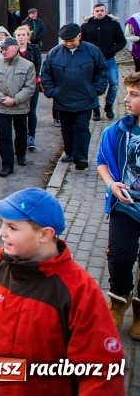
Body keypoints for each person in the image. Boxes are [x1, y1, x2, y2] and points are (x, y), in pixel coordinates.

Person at [0, 188, 125, 395]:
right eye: (2, 223)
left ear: (45, 234)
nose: (1, 232)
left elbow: (102, 370)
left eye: (12, 227)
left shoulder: (79, 290)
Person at [97, 72, 140, 339]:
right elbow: (101, 161)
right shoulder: (118, 130)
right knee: (119, 258)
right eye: (127, 93)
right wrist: (111, 184)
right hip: (125, 207)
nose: (126, 99)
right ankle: (118, 302)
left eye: (134, 94)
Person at [41, 24, 108, 170]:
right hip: (62, 99)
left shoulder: (92, 51)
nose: (68, 43)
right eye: (65, 41)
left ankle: (81, 157)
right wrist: (52, 92)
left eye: (71, 40)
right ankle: (70, 153)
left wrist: (95, 90)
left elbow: (102, 71)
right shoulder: (54, 53)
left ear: (79, 35)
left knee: (82, 127)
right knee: (66, 128)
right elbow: (46, 75)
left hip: (86, 98)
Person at [0, 37, 36, 178]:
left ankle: (21, 155)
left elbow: (30, 87)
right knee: (5, 137)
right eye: (2, 49)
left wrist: (15, 100)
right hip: (2, 107)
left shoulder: (28, 65)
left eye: (6, 48)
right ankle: (7, 165)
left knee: (21, 133)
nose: (3, 51)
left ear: (16, 48)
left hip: (20, 106)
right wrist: (2, 98)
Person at [82, 3, 127, 121]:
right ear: (93, 12)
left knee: (114, 83)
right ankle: (95, 109)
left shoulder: (114, 25)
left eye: (102, 10)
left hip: (109, 59)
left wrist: (111, 51)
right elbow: (81, 43)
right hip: (92, 62)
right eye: (97, 11)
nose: (99, 13)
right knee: (92, 85)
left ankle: (109, 106)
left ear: (106, 12)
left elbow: (122, 42)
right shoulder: (86, 26)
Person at [15, 25, 42, 151]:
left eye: (23, 35)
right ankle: (21, 136)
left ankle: (31, 136)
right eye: (18, 35)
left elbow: (37, 66)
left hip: (32, 83)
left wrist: (31, 79)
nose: (21, 37)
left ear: (27, 36)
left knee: (31, 111)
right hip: (16, 84)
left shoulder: (35, 48)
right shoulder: (13, 50)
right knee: (20, 111)